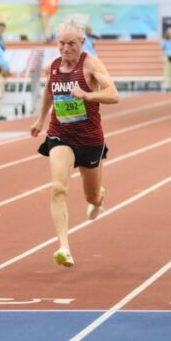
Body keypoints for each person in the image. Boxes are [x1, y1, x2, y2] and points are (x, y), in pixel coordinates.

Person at [31, 20, 119, 267]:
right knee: (58, 187)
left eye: (71, 43)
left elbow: (114, 94)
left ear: (81, 42)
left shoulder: (90, 64)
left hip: (90, 139)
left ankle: (98, 198)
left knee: (91, 197)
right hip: (61, 134)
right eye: (61, 43)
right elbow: (49, 92)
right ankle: (64, 247)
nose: (65, 48)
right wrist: (40, 120)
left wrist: (87, 95)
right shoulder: (53, 67)